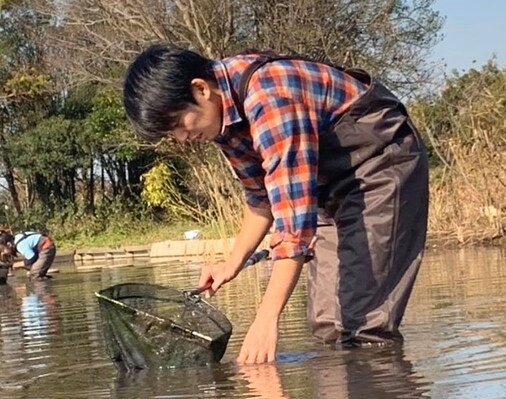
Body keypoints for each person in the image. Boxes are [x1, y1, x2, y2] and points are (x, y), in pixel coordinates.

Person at [123, 44, 429, 364]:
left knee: (363, 324)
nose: (182, 138)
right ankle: (347, 393)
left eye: (179, 123)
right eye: (172, 133)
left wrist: (266, 319)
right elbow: (261, 198)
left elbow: (294, 225)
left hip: (379, 165)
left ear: (200, 89)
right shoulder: (223, 118)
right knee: (329, 322)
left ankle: (386, 389)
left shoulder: (269, 97)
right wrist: (232, 263)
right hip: (329, 187)